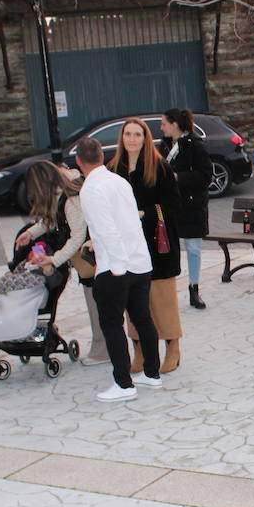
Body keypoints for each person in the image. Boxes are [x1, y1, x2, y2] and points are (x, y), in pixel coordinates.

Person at [77, 136, 162, 400]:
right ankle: (152, 374)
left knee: (112, 324)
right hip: (139, 261)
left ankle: (124, 384)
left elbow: (107, 229)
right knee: (143, 318)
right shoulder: (119, 181)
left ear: (79, 162)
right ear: (102, 157)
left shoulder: (90, 189)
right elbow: (127, 222)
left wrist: (115, 267)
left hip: (117, 266)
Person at [110, 119, 184, 373]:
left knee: (162, 300)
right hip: (128, 245)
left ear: (145, 138)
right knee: (133, 300)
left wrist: (144, 214)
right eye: (128, 134)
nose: (132, 139)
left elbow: (173, 205)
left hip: (157, 244)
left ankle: (172, 347)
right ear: (122, 138)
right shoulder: (114, 168)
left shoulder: (159, 166)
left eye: (137, 134)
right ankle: (139, 350)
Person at [15, 161, 99, 359]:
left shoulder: (71, 199)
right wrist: (31, 233)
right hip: (75, 253)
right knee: (90, 293)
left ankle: (102, 346)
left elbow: (77, 236)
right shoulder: (58, 192)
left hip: (89, 254)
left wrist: (54, 260)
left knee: (96, 296)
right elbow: (50, 220)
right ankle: (100, 342)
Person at [159, 108, 213, 310]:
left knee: (193, 249)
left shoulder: (195, 145)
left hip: (191, 205)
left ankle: (194, 287)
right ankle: (167, 289)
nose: (161, 127)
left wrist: (178, 178)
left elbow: (206, 175)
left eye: (164, 123)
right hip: (169, 205)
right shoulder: (164, 146)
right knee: (168, 247)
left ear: (174, 124)